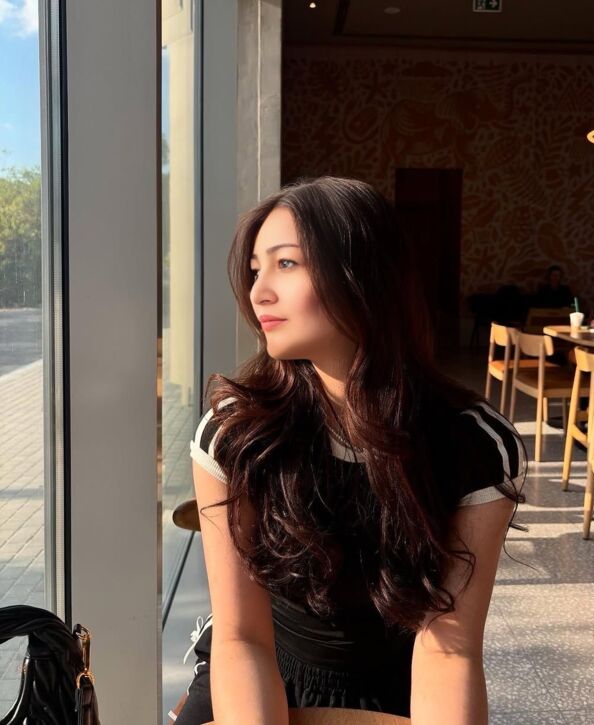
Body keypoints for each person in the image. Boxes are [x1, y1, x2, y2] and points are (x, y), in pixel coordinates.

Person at [174, 176, 526, 725]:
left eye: (285, 263)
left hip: (406, 682)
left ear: (362, 274)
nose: (258, 292)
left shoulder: (475, 446)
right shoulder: (236, 434)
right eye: (255, 270)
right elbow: (242, 638)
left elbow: (449, 649)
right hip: (256, 671)